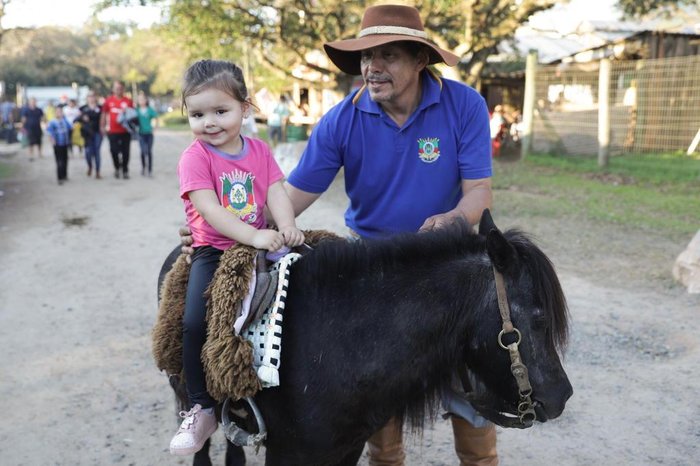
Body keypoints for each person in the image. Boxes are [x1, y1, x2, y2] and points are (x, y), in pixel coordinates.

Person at [180, 5, 496, 465]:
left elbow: (480, 193)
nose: (373, 67)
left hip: (448, 261)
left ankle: (479, 457)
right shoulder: (342, 119)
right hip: (375, 264)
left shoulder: (463, 104)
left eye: (388, 55)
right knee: (373, 377)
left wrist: (452, 220)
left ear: (420, 61)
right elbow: (291, 193)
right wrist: (225, 233)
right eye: (367, 56)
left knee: (471, 377)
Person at [169, 59, 305, 457]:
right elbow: (210, 210)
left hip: (260, 241)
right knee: (194, 320)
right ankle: (201, 406)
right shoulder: (195, 158)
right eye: (197, 114)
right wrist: (255, 234)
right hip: (214, 248)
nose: (209, 122)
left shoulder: (259, 150)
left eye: (220, 111)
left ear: (245, 108)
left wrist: (286, 224)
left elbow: (276, 190)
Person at [100, 80, 134, 179]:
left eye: (120, 88)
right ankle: (117, 168)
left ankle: (125, 170)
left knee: (126, 152)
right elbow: (103, 114)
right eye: (116, 88)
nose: (118, 90)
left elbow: (133, 116)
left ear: (123, 89)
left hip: (125, 131)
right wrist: (102, 126)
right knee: (113, 151)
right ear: (113, 89)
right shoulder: (108, 101)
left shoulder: (128, 101)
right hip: (112, 131)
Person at [45, 105, 72, 185]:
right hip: (57, 144)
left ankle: (64, 175)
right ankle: (59, 177)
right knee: (59, 161)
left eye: (60, 112)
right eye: (57, 112)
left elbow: (70, 128)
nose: (59, 113)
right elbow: (49, 132)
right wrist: (52, 141)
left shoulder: (64, 121)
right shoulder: (52, 122)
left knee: (65, 159)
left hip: (65, 143)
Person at [79, 91, 103, 179]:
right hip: (87, 134)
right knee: (88, 152)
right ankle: (90, 166)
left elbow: (104, 118)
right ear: (87, 98)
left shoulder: (100, 108)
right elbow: (77, 119)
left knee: (97, 152)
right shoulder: (83, 108)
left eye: (93, 96)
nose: (91, 98)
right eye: (89, 96)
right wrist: (82, 118)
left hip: (97, 133)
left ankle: (97, 171)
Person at [136, 92, 159, 177]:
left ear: (146, 100)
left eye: (143, 99)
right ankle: (143, 168)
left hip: (149, 133)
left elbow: (156, 117)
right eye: (139, 99)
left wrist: (155, 129)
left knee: (149, 151)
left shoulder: (150, 110)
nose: (141, 101)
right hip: (140, 134)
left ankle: (150, 170)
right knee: (142, 151)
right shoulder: (136, 110)